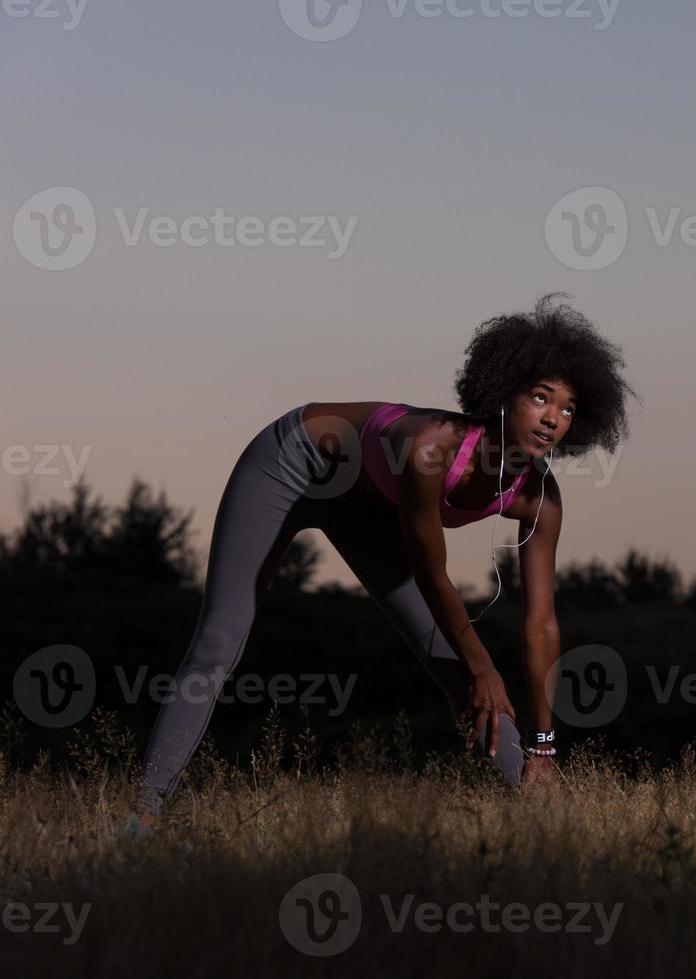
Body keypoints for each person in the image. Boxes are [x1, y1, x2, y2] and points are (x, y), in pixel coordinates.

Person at [123, 293, 638, 829]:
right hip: (290, 464)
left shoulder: (540, 498)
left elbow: (542, 625)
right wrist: (486, 667)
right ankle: (143, 816)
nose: (552, 418)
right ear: (504, 389)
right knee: (219, 637)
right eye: (540, 397)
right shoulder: (432, 451)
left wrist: (545, 744)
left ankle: (545, 820)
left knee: (456, 665)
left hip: (367, 505)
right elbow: (430, 573)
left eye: (567, 408)